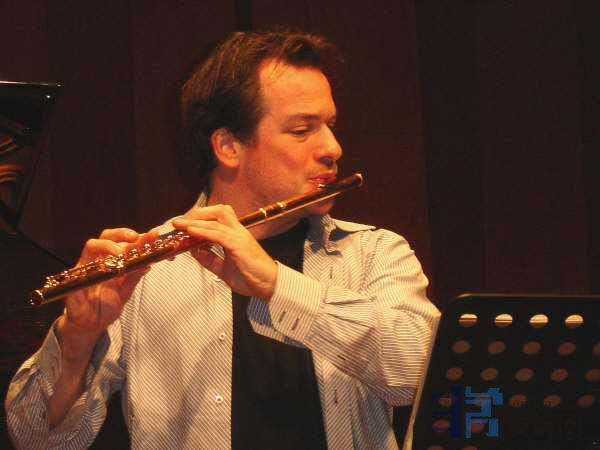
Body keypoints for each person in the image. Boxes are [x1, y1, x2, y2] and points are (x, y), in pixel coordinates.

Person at [5, 30, 439, 450]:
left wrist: (276, 284)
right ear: (228, 146)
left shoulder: (375, 253)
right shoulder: (144, 272)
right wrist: (77, 339)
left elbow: (419, 373)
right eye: (302, 129)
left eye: (329, 125)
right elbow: (37, 440)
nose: (333, 148)